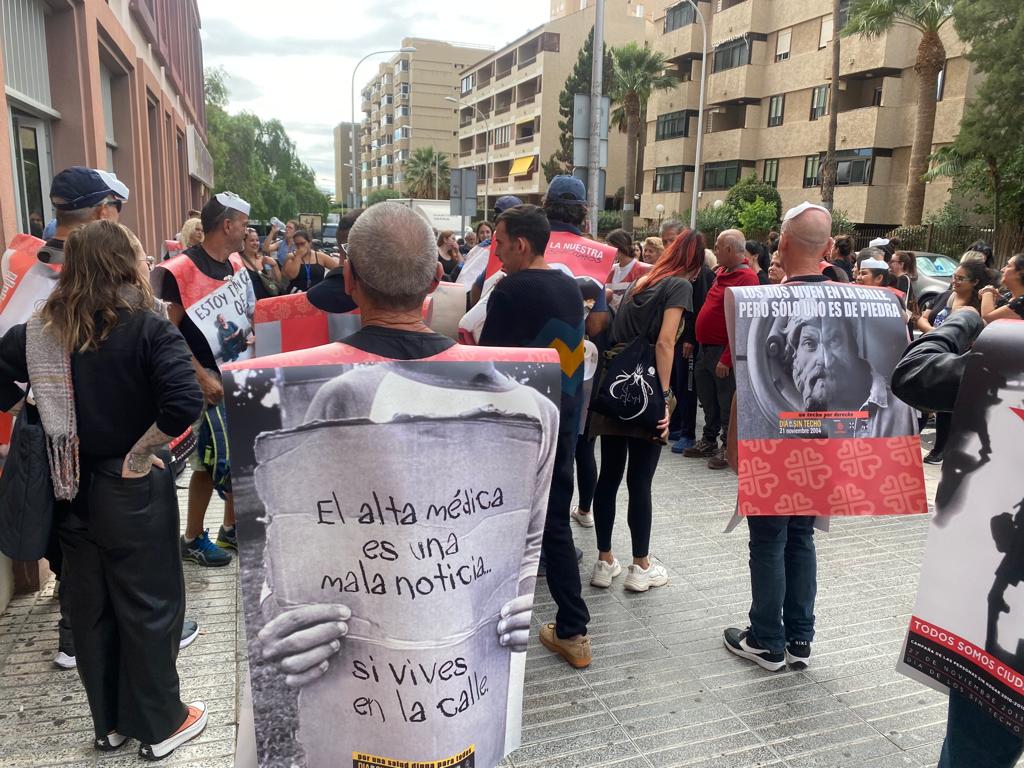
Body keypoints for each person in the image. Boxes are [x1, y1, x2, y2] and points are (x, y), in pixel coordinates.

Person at [0, 220, 207, 759]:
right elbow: (184, 405)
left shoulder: (41, 330)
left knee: (90, 611)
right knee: (150, 606)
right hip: (131, 488)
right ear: (125, 264)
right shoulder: (148, 328)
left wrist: (36, 410)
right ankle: (162, 724)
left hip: (68, 489)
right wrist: (142, 453)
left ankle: (109, 725)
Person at [889, 306, 1021, 767]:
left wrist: (963, 320)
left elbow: (914, 374)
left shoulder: (1013, 351)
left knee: (977, 750)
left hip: (1009, 626)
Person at [478, 203, 592, 669]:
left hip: (515, 430)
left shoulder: (510, 291)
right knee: (555, 525)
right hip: (561, 422)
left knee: (498, 523)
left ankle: (487, 628)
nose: (497, 252)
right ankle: (574, 632)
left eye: (500, 242)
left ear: (521, 244)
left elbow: (483, 366)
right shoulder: (569, 286)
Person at [723, 201, 835, 673]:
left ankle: (767, 640)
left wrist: (733, 443)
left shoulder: (764, 302)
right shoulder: (856, 299)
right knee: (802, 536)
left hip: (772, 436)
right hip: (824, 439)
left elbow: (747, 385)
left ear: (781, 244)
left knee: (769, 538)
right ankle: (800, 639)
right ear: (828, 248)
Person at [589, 230, 696, 592]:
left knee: (609, 475)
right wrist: (663, 396)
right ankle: (640, 566)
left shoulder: (642, 281)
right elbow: (666, 341)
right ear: (696, 262)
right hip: (646, 387)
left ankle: (604, 562)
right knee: (640, 481)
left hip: (615, 381)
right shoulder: (680, 285)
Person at [153, 192, 255, 567]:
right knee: (207, 461)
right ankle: (193, 536)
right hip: (204, 383)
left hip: (238, 373)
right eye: (244, 224)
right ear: (227, 225)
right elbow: (169, 333)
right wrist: (199, 377)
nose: (248, 231)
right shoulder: (181, 270)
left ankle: (230, 527)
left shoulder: (234, 263)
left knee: (241, 454)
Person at [683, 228, 759, 470]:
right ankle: (709, 439)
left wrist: (727, 358)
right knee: (708, 398)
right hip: (706, 348)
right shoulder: (722, 272)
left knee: (725, 400)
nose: (714, 251)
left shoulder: (747, 278)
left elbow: (744, 323)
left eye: (717, 246)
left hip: (722, 351)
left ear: (728, 249)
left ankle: (728, 446)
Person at [916, 259, 990, 464]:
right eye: (953, 277)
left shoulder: (975, 307)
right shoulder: (945, 296)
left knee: (945, 407)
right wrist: (937, 334)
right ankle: (911, 443)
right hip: (932, 355)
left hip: (956, 361)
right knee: (919, 402)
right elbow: (923, 318)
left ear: (974, 282)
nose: (955, 282)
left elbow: (978, 335)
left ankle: (939, 450)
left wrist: (942, 337)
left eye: (960, 279)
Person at [670, 237, 716, 453]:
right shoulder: (681, 272)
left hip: (690, 341)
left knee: (688, 387)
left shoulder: (703, 274)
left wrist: (689, 337)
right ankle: (679, 427)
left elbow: (697, 307)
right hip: (674, 337)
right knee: (677, 385)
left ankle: (688, 433)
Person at [605, 228, 650, 312]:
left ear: (622, 246)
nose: (609, 252)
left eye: (612, 248)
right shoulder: (609, 270)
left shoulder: (645, 269)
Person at [282, 229, 339, 293]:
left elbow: (338, 268)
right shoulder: (291, 256)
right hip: (296, 293)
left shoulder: (320, 256)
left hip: (316, 294)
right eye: (297, 244)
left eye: (302, 243)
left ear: (309, 242)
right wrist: (298, 256)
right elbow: (292, 275)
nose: (300, 247)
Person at [240, 228, 284, 301]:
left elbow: (278, 282)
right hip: (252, 306)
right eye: (252, 240)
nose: (255, 243)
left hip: (267, 304)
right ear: (243, 242)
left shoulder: (264, 260)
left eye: (257, 240)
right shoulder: (238, 261)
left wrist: (275, 265)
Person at [980, 253, 1024, 323]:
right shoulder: (1008, 295)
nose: (1002, 269)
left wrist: (987, 291)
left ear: (1020, 273)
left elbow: (987, 317)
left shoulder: (1021, 302)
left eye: (1008, 266)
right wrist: (993, 299)